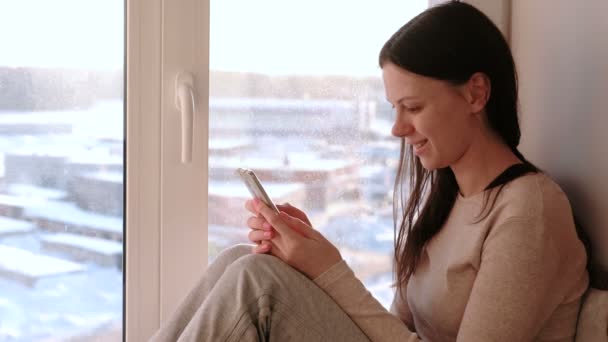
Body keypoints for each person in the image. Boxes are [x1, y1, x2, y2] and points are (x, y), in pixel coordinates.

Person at [150, 1, 589, 341]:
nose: (398, 129)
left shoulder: (529, 210)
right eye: (395, 109)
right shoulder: (448, 200)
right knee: (242, 259)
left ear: (476, 93)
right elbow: (392, 329)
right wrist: (312, 261)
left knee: (256, 282)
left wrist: (329, 271)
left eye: (413, 107)